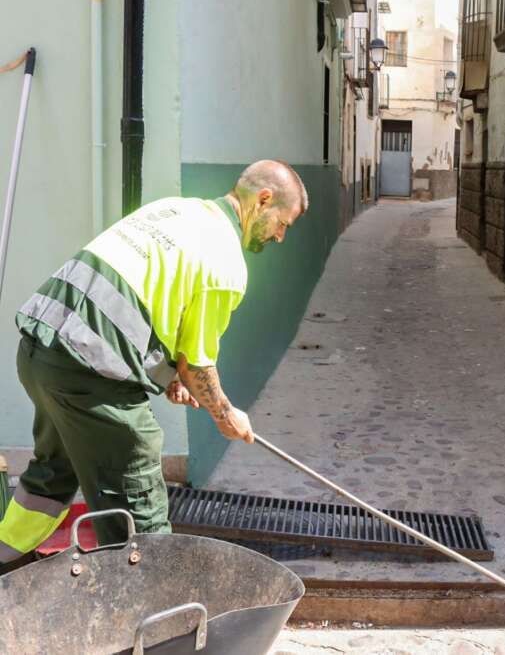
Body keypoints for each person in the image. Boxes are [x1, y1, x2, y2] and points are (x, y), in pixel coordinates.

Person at [0, 160, 308, 571]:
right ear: (263, 199)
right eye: (282, 223)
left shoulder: (177, 211)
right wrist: (226, 414)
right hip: (87, 372)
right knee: (136, 480)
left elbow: (141, 302)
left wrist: (168, 377)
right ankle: (151, 605)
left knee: (55, 469)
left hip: (42, 348)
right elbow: (198, 365)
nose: (281, 236)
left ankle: (4, 559)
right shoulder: (226, 263)